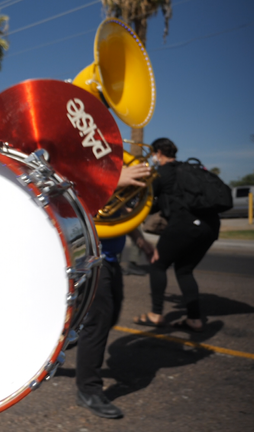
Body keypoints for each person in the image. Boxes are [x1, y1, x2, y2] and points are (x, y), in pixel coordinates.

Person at [76, 162, 155, 419]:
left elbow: (119, 212)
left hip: (111, 258)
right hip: (91, 257)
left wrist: (141, 242)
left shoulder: (108, 168)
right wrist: (110, 181)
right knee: (98, 322)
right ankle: (88, 389)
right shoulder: (87, 170)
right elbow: (73, 199)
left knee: (110, 316)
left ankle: (71, 337)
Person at [133, 138, 220, 333]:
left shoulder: (161, 173)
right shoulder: (187, 170)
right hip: (211, 225)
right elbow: (165, 201)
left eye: (154, 154)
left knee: (158, 264)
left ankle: (156, 314)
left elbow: (147, 200)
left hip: (185, 224)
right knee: (184, 269)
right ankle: (194, 320)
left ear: (157, 153)